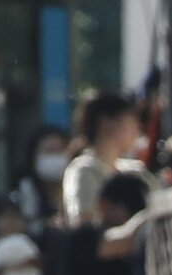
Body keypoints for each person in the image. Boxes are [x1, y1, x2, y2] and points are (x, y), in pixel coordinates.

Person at [62, 92, 151, 227]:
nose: (138, 128)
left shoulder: (137, 171)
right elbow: (83, 224)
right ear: (107, 123)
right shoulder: (84, 170)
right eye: (132, 120)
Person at [14, 126, 70, 234]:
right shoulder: (25, 192)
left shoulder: (76, 189)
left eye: (60, 151)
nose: (55, 158)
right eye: (49, 151)